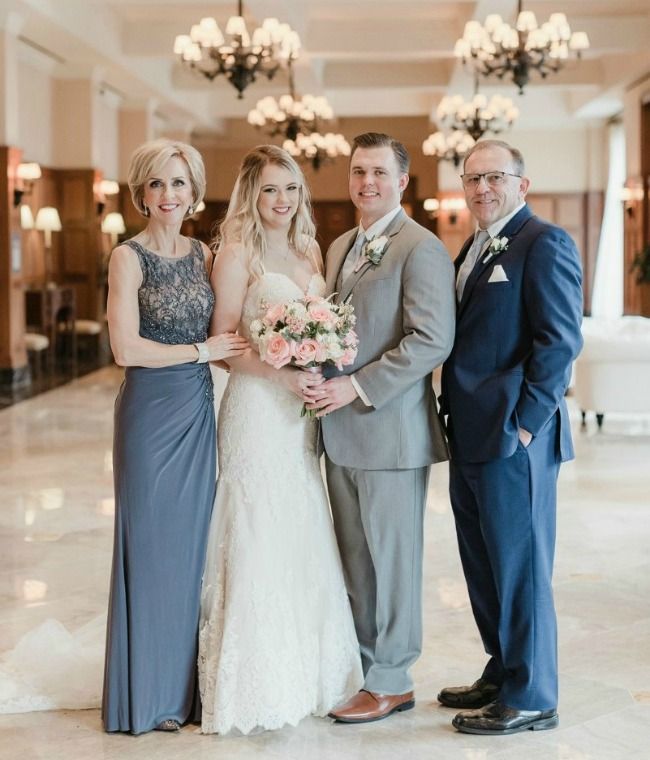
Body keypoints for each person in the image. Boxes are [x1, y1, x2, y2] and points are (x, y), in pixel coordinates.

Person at [197, 145, 363, 736]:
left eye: (290, 188)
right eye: (270, 189)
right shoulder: (236, 254)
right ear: (251, 194)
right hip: (257, 410)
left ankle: (309, 670)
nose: (282, 200)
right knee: (257, 523)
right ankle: (254, 679)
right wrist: (283, 373)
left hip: (301, 415)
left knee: (299, 519)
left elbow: (322, 329)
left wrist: (319, 365)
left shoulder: (308, 250)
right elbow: (224, 345)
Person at [308, 132, 456, 723]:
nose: (367, 182)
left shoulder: (419, 248)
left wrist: (357, 385)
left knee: (393, 564)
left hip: (390, 432)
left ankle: (393, 677)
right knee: (356, 561)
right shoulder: (342, 243)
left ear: (402, 182)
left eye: (378, 173)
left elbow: (431, 340)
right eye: (358, 172)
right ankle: (367, 668)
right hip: (336, 430)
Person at [102, 139, 248, 735]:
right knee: (151, 547)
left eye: (180, 183)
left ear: (194, 191)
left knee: (190, 554)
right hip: (148, 414)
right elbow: (124, 349)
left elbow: (229, 325)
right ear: (142, 192)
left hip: (195, 410)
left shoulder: (203, 254)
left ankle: (184, 693)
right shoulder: (127, 258)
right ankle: (146, 696)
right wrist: (200, 351)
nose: (169, 195)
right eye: (158, 184)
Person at [438, 139, 583, 735]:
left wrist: (525, 424)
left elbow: (560, 343)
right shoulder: (472, 245)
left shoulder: (543, 242)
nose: (481, 189)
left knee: (520, 568)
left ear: (521, 184)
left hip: (513, 439)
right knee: (485, 564)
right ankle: (503, 669)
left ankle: (533, 695)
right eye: (472, 179)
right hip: (468, 433)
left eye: (494, 177)